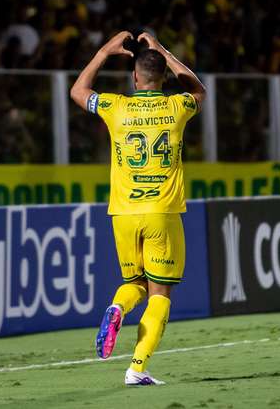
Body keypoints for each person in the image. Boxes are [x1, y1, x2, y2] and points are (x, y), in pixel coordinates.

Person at [69, 30, 206, 386]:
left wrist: (103, 52)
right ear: (162, 77)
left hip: (124, 213)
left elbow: (78, 92)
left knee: (135, 283)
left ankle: (117, 308)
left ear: (134, 77)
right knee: (160, 293)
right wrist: (160, 49)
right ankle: (137, 368)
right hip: (162, 211)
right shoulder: (178, 107)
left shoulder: (117, 107)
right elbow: (197, 89)